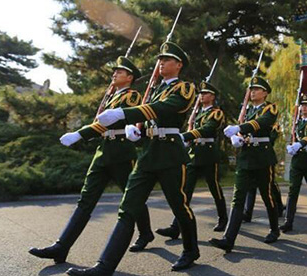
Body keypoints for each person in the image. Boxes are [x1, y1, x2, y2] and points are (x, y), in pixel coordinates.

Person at [67, 42, 199, 275]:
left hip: (170, 154)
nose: (160, 63)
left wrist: (122, 114)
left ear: (178, 65)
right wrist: (136, 132)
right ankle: (104, 267)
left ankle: (191, 250)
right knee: (127, 208)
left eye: (166, 59)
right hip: (147, 154)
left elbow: (162, 109)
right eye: (159, 59)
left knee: (179, 206)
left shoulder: (185, 88)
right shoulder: (156, 89)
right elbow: (150, 116)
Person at [29, 57, 154, 265]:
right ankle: (61, 247)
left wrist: (80, 134)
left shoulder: (132, 96)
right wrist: (83, 132)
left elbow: (111, 121)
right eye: (114, 71)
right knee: (86, 200)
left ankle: (146, 232)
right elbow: (100, 124)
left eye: (119, 72)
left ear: (129, 77)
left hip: (122, 153)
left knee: (132, 198)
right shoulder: (112, 97)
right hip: (103, 152)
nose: (114, 74)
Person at [210, 76, 281, 253]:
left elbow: (263, 123)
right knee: (238, 196)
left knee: (267, 195)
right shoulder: (247, 111)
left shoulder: (270, 108)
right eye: (251, 89)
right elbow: (244, 130)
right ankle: (228, 239)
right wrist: (237, 138)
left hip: (263, 157)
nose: (253, 92)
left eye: (256, 89)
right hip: (246, 157)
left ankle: (274, 229)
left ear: (265, 92)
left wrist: (239, 128)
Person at [155, 80, 228, 240]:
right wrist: (188, 139)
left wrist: (186, 135)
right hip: (194, 154)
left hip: (208, 154)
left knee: (214, 188)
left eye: (205, 93)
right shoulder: (197, 114)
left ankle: (223, 218)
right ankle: (176, 227)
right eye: (200, 93)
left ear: (213, 96)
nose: (202, 96)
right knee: (185, 191)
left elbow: (208, 129)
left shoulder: (216, 113)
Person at [280, 93, 307, 232]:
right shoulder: (297, 123)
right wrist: (291, 145)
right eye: (302, 105)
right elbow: (294, 137)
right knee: (293, 189)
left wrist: (299, 144)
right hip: (297, 159)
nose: (303, 107)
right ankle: (288, 221)